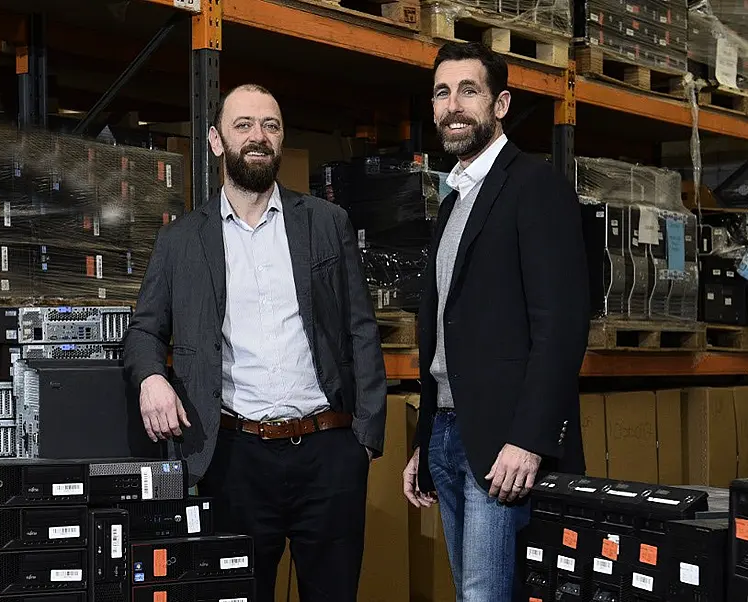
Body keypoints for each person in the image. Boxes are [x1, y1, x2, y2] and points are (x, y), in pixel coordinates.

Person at [123, 83, 388, 602]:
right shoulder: (182, 240)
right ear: (217, 141)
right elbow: (144, 329)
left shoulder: (325, 222)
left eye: (270, 125)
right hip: (233, 457)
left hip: (328, 452)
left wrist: (364, 441)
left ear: (281, 138)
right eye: (243, 125)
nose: (258, 137)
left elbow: (361, 327)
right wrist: (152, 377)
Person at [402, 41, 590, 601]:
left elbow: (561, 325)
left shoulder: (534, 187)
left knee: (487, 596)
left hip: (504, 445)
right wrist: (424, 439)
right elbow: (446, 329)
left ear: (500, 104)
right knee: (472, 593)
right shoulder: (454, 198)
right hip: (448, 434)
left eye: (469, 91)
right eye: (442, 92)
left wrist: (530, 439)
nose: (453, 105)